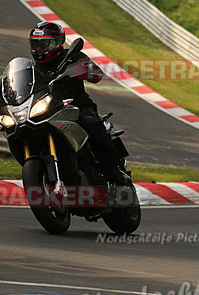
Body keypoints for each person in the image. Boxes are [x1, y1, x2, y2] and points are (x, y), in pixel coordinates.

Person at [28, 21, 132, 189]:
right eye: (36, 45)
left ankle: (113, 170)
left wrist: (81, 69)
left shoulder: (72, 57)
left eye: (45, 44)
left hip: (76, 107)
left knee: (91, 125)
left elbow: (96, 74)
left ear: (57, 43)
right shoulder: (31, 68)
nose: (40, 49)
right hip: (47, 111)